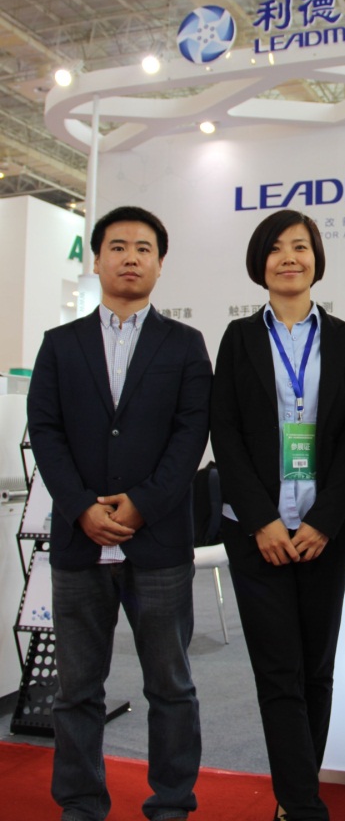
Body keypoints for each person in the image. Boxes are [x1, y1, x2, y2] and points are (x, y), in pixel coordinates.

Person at [27, 205, 212, 821]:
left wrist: (142, 504)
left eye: (143, 248)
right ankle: (81, 803)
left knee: (171, 686)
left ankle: (172, 803)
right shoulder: (59, 345)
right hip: (79, 543)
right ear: (98, 259)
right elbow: (45, 431)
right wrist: (80, 506)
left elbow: (191, 434)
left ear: (159, 263)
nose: (130, 257)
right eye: (117, 246)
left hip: (157, 542)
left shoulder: (185, 345)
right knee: (77, 690)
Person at [210, 209, 345, 821]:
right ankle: (301, 806)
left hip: (325, 532)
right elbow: (225, 433)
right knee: (278, 671)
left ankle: (298, 794)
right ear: (261, 262)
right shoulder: (238, 338)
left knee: (317, 670)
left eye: (300, 247)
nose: (289, 258)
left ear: (316, 259)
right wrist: (262, 521)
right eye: (276, 248)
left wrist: (324, 519)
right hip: (259, 535)